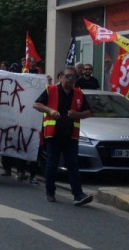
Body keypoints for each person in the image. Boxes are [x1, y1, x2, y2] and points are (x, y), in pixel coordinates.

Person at [33, 66, 94, 206]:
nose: (71, 80)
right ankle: (50, 192)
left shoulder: (78, 93)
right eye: (68, 76)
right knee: (52, 164)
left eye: (74, 77)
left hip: (71, 136)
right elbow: (36, 104)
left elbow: (89, 112)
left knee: (73, 165)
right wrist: (50, 110)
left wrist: (77, 114)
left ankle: (78, 194)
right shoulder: (51, 90)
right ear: (60, 77)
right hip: (54, 134)